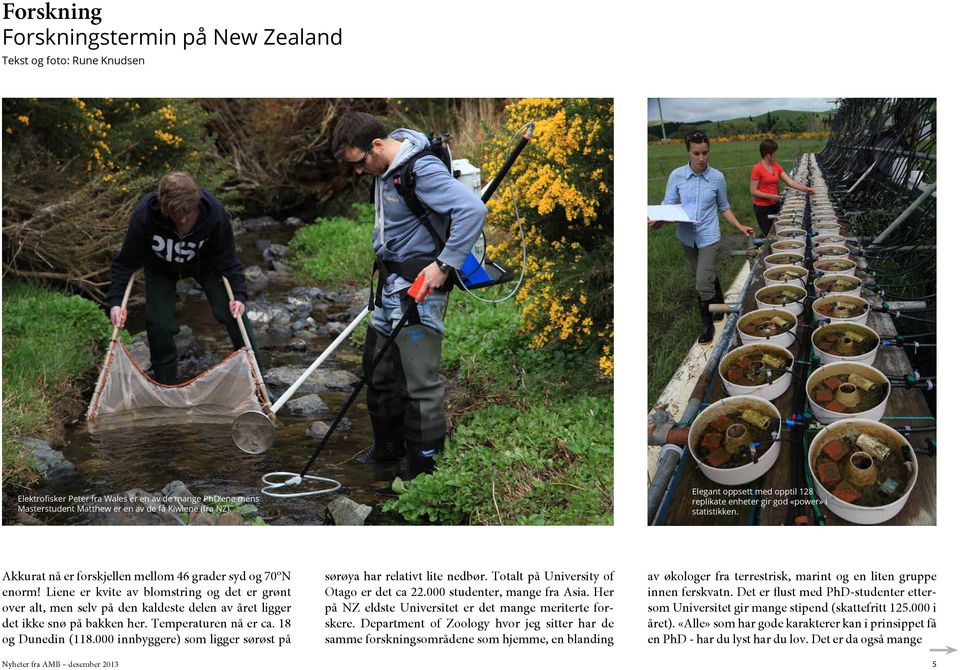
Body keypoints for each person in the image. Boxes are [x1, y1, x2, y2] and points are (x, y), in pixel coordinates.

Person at [331, 111, 486, 477]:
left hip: (419, 293)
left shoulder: (422, 170)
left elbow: (472, 209)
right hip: (389, 290)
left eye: (357, 163)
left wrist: (444, 264)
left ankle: (423, 467)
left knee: (420, 383)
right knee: (378, 371)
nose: (356, 172)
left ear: (377, 146)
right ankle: (388, 450)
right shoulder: (387, 168)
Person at [106, 171, 257, 385]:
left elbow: (228, 259)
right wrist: (116, 302)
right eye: (176, 215)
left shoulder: (214, 213)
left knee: (232, 312)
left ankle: (255, 373)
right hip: (160, 267)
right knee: (159, 323)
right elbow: (126, 262)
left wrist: (240, 296)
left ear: (196, 202)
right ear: (164, 207)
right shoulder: (144, 215)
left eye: (188, 213)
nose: (184, 219)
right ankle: (165, 383)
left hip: (205, 264)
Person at [648, 130, 753, 344]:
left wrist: (739, 225)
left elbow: (723, 206)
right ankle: (721, 306)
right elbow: (667, 204)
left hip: (709, 236)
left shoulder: (717, 177)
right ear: (688, 151)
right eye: (696, 153)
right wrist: (658, 220)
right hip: (687, 238)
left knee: (702, 283)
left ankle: (707, 325)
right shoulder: (677, 176)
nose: (701, 158)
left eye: (705, 153)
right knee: (705, 274)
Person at [749, 138, 816, 236]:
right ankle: (759, 246)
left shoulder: (775, 166)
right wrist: (770, 196)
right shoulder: (757, 169)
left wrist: (807, 189)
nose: (775, 155)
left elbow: (790, 182)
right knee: (767, 234)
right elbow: (753, 191)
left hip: (775, 204)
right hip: (762, 207)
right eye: (772, 152)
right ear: (765, 153)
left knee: (778, 231)